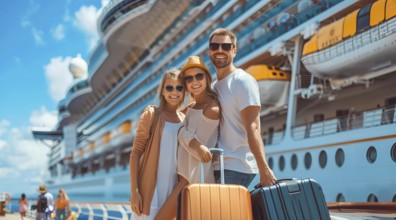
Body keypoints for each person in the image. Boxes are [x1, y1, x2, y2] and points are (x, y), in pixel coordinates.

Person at [154, 56, 220, 220]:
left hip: (192, 179)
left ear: (207, 77)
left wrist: (183, 134)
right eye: (189, 78)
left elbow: (197, 150)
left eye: (199, 76)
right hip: (182, 178)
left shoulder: (211, 109)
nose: (194, 81)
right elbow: (186, 136)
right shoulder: (192, 108)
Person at [209, 28, 277, 188]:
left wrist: (264, 169)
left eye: (225, 47)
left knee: (221, 212)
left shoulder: (242, 81)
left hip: (238, 165)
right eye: (215, 46)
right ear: (209, 50)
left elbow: (253, 128)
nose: (220, 50)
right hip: (219, 165)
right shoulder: (213, 86)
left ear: (234, 51)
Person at [129, 69, 185, 220]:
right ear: (162, 90)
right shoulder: (152, 114)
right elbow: (135, 153)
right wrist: (134, 192)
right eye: (169, 87)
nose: (174, 92)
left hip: (173, 193)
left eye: (179, 87)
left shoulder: (185, 120)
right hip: (150, 193)